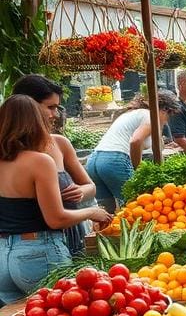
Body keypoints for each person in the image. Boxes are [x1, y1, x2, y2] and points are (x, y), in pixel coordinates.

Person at [0, 95, 112, 303]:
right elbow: (56, 219)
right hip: (38, 252)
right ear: (36, 122)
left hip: (3, 256)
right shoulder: (40, 161)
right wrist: (91, 212)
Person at [13, 74, 98, 256]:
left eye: (57, 107)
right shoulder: (9, 152)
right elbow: (55, 219)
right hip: (35, 246)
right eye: (50, 107)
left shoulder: (59, 144)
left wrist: (81, 192)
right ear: (28, 107)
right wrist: (91, 212)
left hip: (69, 237)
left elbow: (90, 186)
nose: (55, 115)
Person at [86, 89, 182, 212]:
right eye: (169, 115)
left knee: (105, 211)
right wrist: (138, 168)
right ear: (164, 110)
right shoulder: (150, 116)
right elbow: (135, 141)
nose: (168, 120)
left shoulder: (133, 113)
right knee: (136, 206)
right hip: (115, 160)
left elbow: (151, 142)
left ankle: (104, 230)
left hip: (94, 161)